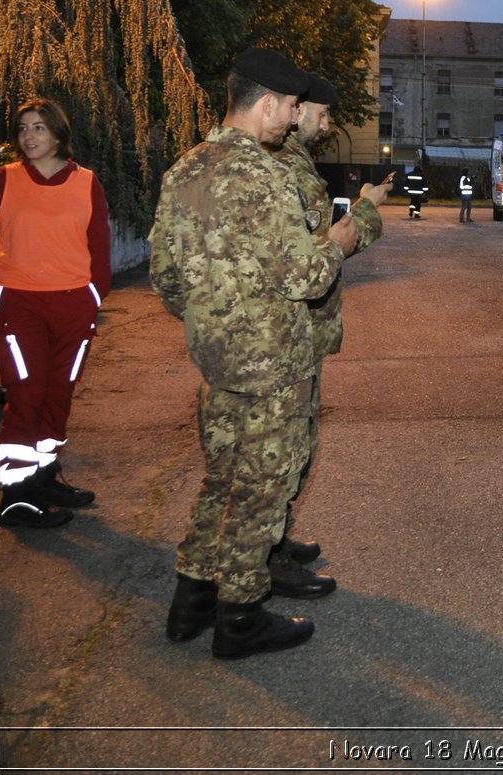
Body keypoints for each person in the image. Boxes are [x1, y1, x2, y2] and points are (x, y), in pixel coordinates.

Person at [150, 48, 358, 660]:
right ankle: (240, 618)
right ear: (267, 102)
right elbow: (306, 278)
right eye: (292, 106)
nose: (294, 119)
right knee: (262, 490)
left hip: (216, 362)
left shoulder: (186, 168)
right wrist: (340, 243)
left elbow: (166, 277)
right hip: (272, 365)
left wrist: (214, 323)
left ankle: (191, 601)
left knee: (221, 479)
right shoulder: (264, 177)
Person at [265, 72, 392, 600]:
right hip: (287, 330)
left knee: (294, 445)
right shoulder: (282, 164)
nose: (327, 122)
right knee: (283, 451)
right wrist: (367, 208)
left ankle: (275, 541)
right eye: (322, 113)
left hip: (299, 327)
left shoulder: (290, 161)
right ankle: (267, 559)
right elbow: (320, 249)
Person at [0, 98, 110, 528]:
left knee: (58, 395)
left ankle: (43, 479)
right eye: (23, 128)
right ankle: (16, 496)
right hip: (20, 306)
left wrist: (94, 299)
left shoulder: (86, 182)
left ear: (59, 134)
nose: (28, 136)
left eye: (39, 128)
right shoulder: (5, 180)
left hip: (73, 306)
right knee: (26, 394)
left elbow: (99, 248)